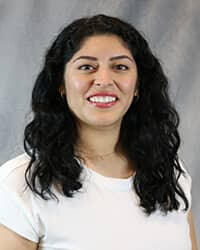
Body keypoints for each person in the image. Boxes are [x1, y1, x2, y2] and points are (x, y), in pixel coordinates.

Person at [0, 14, 198, 250]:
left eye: (120, 67)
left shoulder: (170, 174)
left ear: (138, 86)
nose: (104, 79)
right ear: (61, 84)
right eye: (86, 67)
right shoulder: (20, 184)